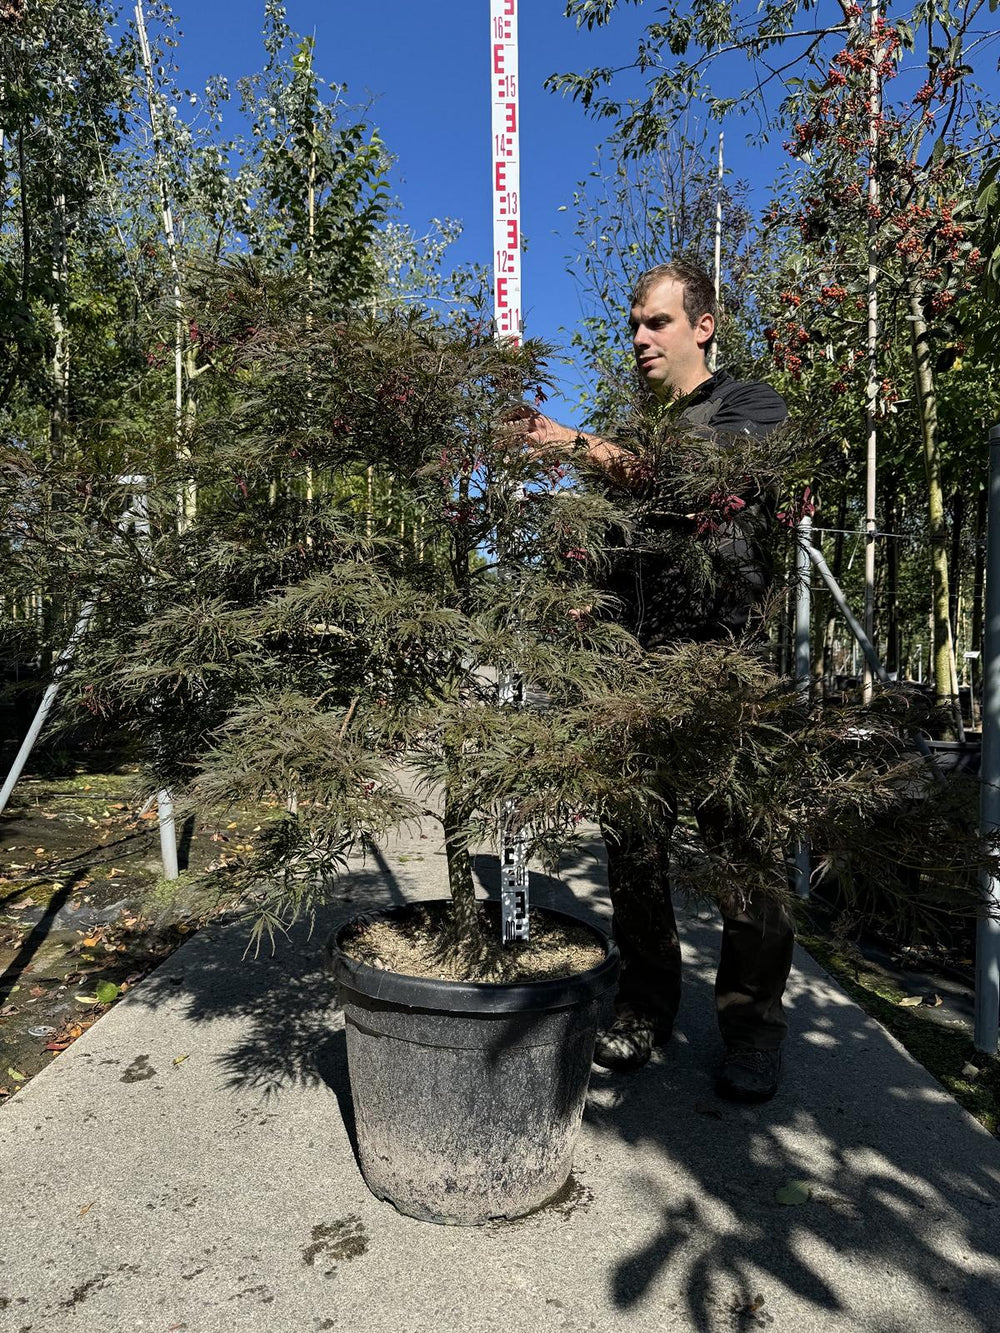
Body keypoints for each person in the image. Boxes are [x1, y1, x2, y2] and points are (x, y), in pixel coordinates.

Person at [516, 261, 793, 1103]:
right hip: (635, 676)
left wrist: (571, 443)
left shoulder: (752, 409)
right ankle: (644, 1005)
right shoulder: (625, 434)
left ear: (702, 326)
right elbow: (616, 549)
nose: (639, 337)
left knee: (746, 857)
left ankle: (751, 1028)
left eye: (657, 323)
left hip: (726, 675)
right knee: (633, 851)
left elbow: (691, 482)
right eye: (634, 324)